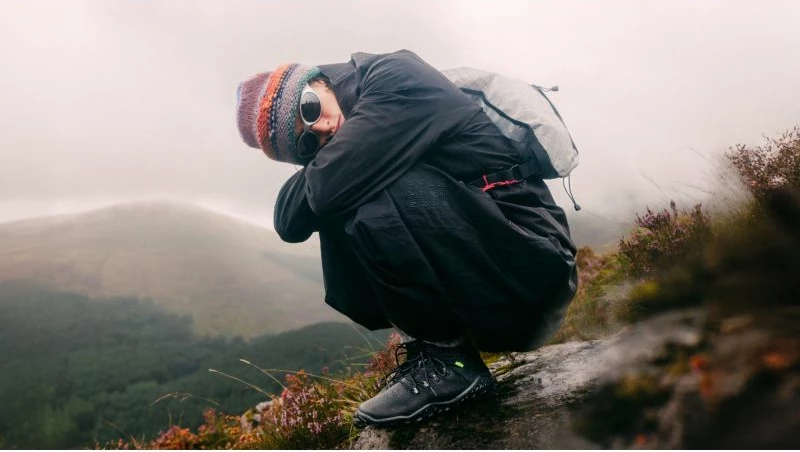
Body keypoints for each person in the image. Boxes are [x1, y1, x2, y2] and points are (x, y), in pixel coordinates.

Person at [235, 49, 578, 427]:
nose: (319, 130)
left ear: (318, 81)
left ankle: (452, 362)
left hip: (533, 267)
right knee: (348, 185)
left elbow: (327, 190)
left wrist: (325, 170)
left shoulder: (398, 77)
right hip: (494, 285)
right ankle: (438, 352)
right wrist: (327, 168)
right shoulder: (349, 133)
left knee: (359, 192)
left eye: (310, 109)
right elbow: (287, 221)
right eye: (304, 145)